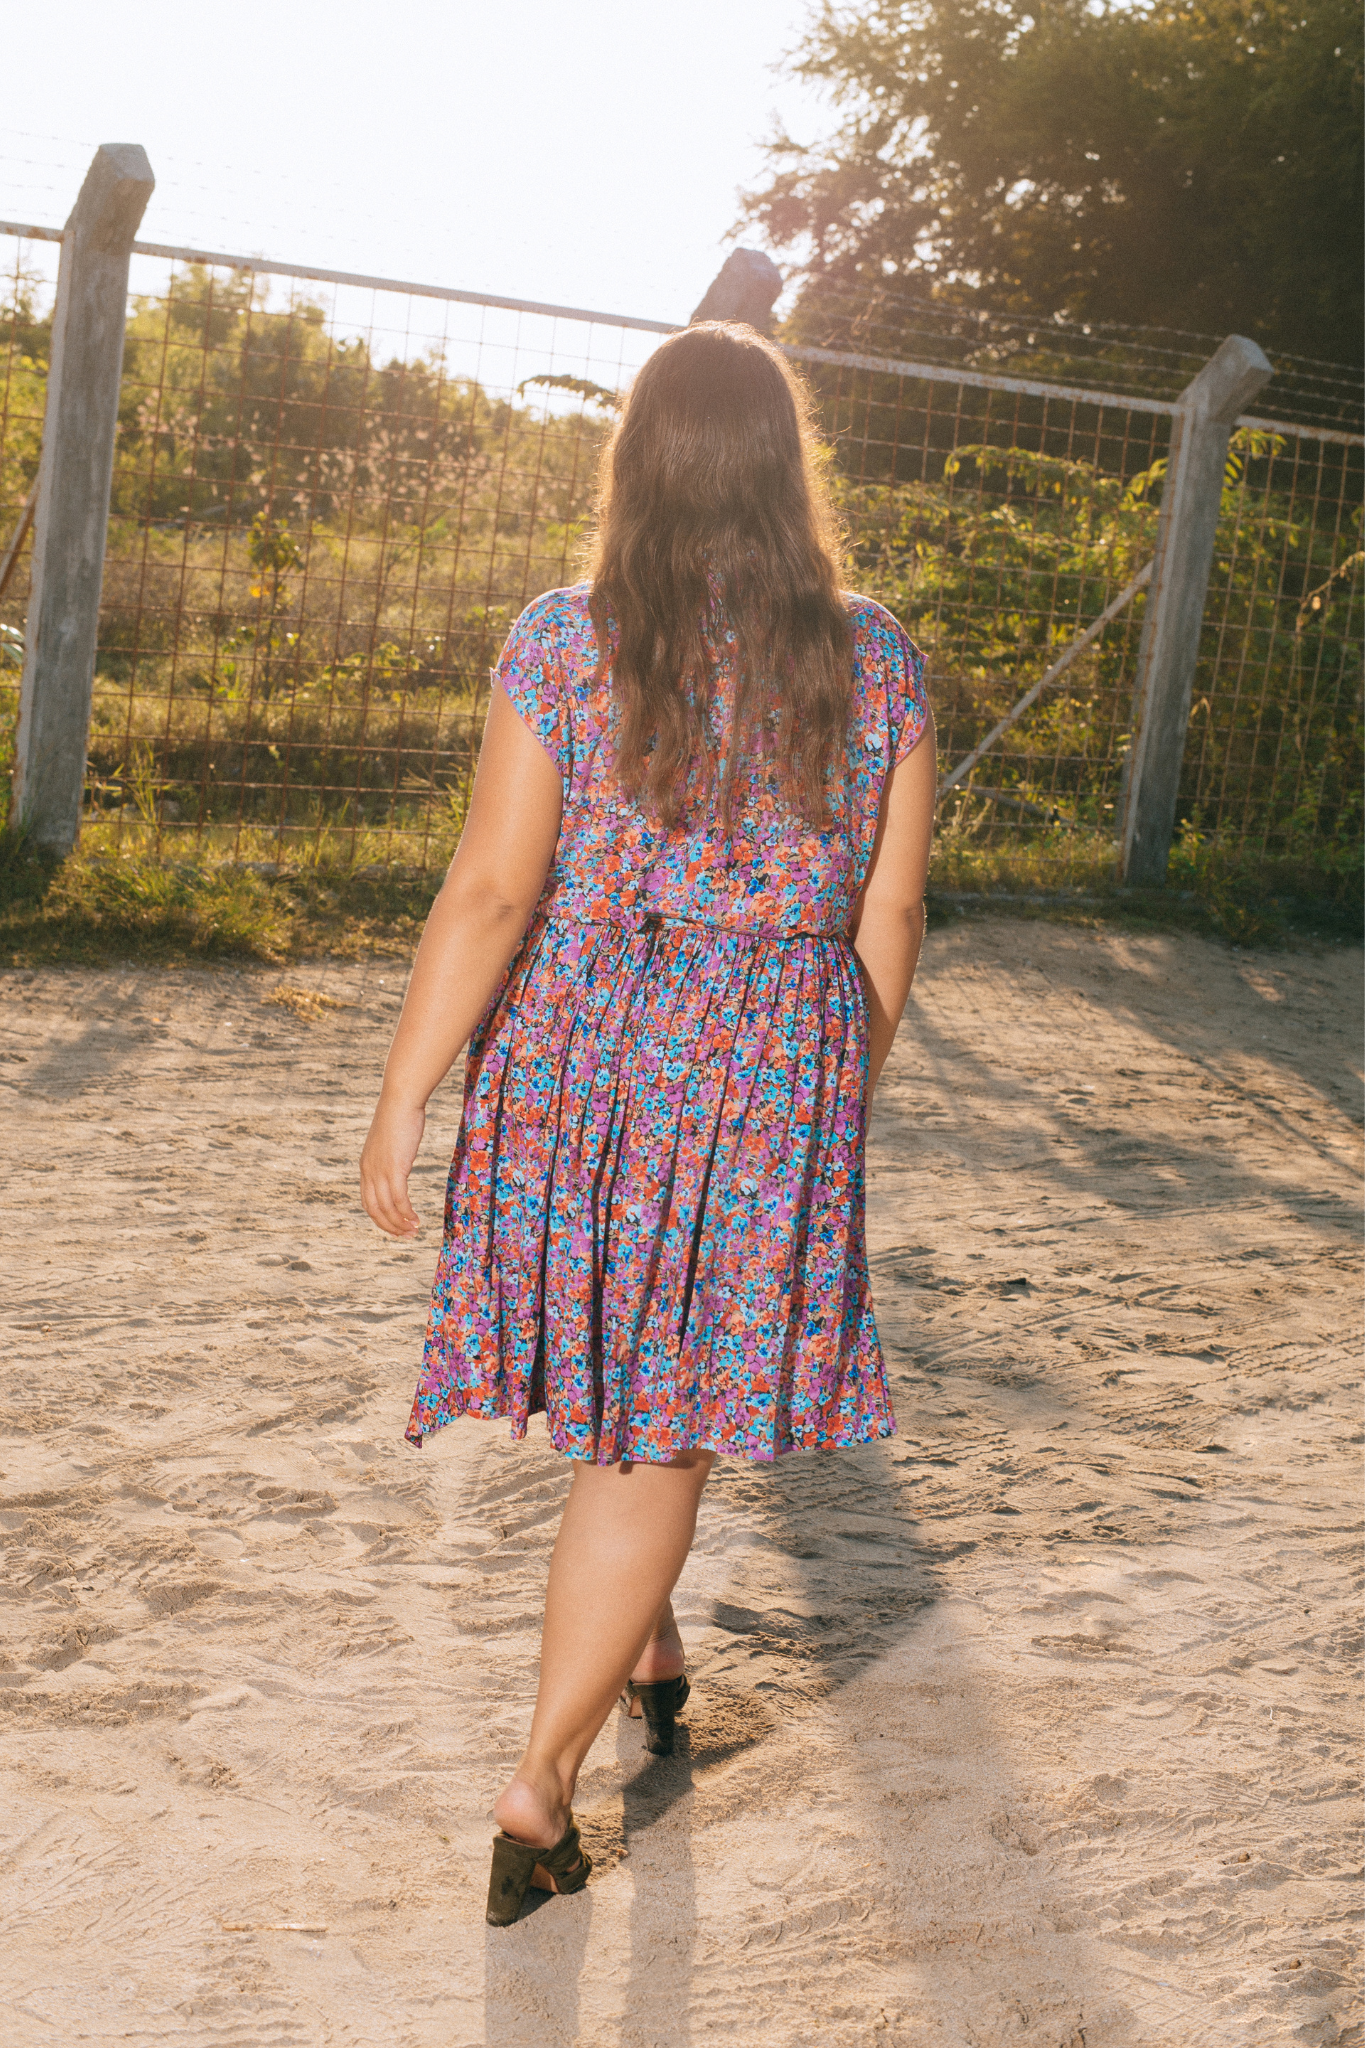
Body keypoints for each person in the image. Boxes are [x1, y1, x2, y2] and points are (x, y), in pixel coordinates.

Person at [359, 321, 935, 1927]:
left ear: (636, 463)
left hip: (578, 1059)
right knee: (658, 1418)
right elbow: (887, 916)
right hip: (771, 1064)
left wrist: (407, 1090)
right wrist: (831, 1091)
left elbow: (493, 886)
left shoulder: (570, 637)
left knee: (636, 1386)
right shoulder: (874, 658)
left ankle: (617, 1673)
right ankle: (539, 1784)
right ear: (784, 469)